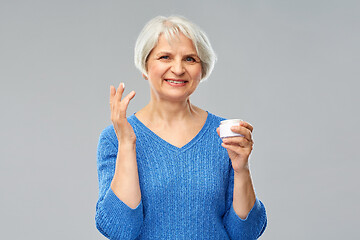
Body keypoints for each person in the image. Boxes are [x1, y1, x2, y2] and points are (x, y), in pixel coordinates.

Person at [95, 15, 267, 240]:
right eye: (165, 57)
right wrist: (127, 144)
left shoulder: (225, 135)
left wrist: (242, 169)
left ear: (201, 70)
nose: (178, 69)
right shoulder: (114, 139)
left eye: (190, 59)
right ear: (145, 66)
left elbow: (245, 234)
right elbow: (121, 230)